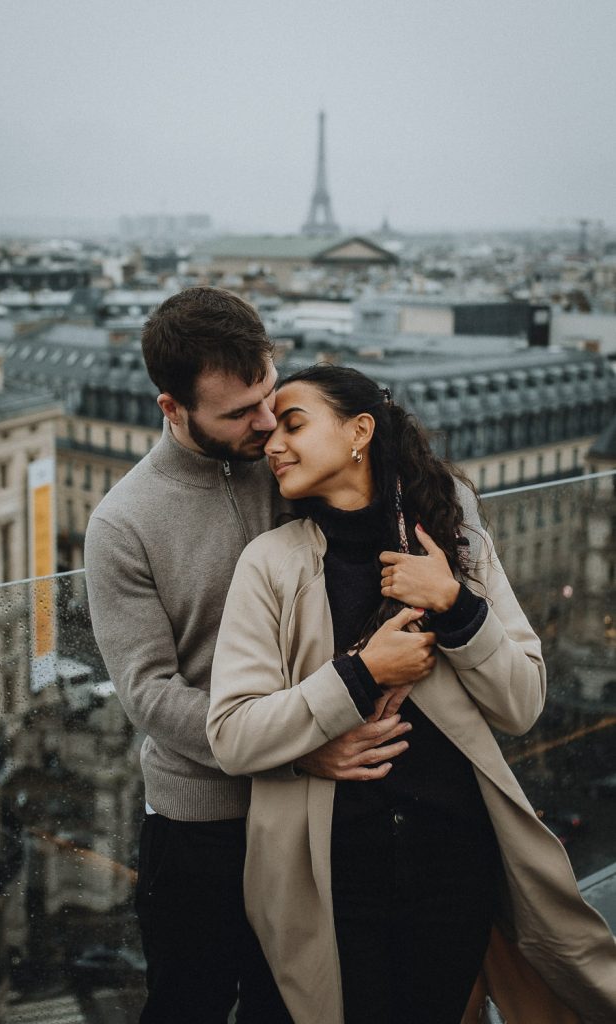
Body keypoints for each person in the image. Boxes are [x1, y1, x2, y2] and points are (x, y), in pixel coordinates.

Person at [207, 363, 616, 1024]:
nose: (272, 444)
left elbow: (521, 705)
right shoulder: (271, 562)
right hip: (329, 869)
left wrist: (456, 607)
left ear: (358, 431)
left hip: (452, 863)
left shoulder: (452, 540)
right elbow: (230, 734)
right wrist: (362, 673)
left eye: (293, 423)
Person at [84, 290, 425, 1024]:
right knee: (192, 1004)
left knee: (303, 1001)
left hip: (325, 800)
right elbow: (148, 694)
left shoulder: (290, 463)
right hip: (205, 819)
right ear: (170, 408)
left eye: (269, 395)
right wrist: (300, 748)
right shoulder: (122, 523)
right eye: (239, 414)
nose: (268, 425)